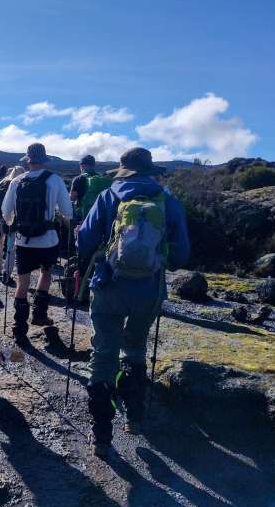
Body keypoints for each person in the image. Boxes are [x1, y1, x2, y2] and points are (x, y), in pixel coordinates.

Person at [77, 147, 190, 457]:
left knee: (103, 353)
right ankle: (134, 418)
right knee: (136, 346)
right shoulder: (167, 200)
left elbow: (84, 241)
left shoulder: (108, 196)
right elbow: (181, 256)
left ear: (123, 169)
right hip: (149, 291)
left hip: (109, 286)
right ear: (149, 170)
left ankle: (101, 434)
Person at [1, 143, 72, 339]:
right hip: (48, 240)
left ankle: (18, 326)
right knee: (46, 272)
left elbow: (5, 211)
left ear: (28, 160)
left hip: (23, 240)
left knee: (22, 282)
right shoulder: (55, 180)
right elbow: (68, 212)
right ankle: (39, 315)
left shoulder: (17, 181)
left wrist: (15, 224)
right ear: (45, 159)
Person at [0, 165, 25, 282]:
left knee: (0, 243)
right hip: (15, 221)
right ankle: (7, 274)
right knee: (11, 246)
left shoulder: (2, 184)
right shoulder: (22, 185)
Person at [70, 154, 112, 222]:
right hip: (99, 215)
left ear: (82, 165)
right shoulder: (101, 178)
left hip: (84, 217)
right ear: (93, 165)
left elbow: (72, 198)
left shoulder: (78, 179)